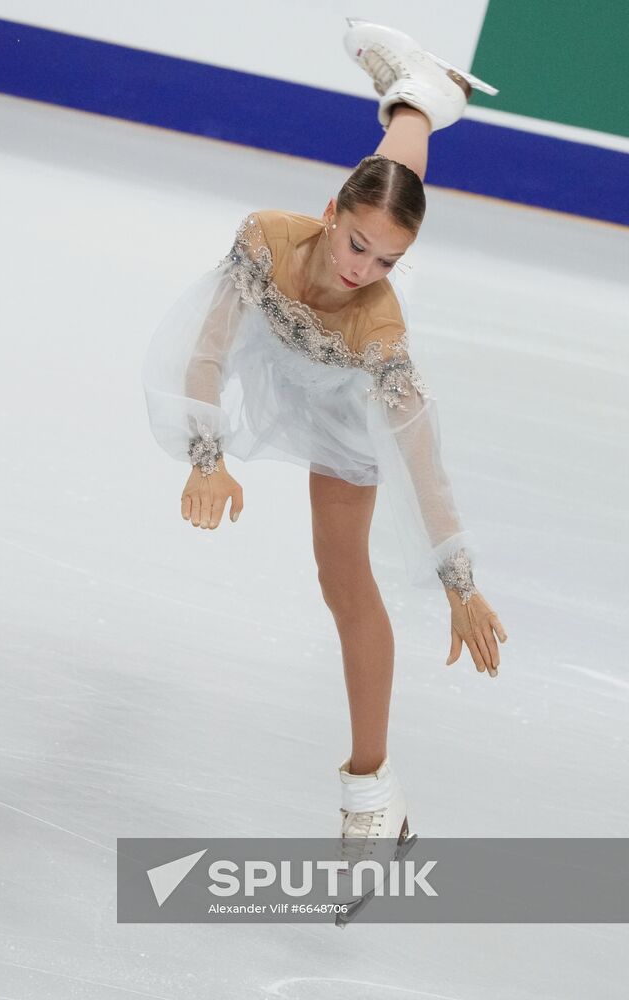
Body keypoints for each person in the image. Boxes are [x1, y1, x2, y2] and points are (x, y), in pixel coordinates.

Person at [141, 19, 508, 864]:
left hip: (346, 399)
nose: (360, 268)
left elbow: (421, 455)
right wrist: (210, 454)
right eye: (354, 244)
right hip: (289, 338)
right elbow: (206, 350)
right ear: (325, 210)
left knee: (343, 582)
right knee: (394, 182)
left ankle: (372, 791)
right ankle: (420, 93)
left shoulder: (382, 327)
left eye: (386, 261)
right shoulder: (267, 239)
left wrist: (458, 579)